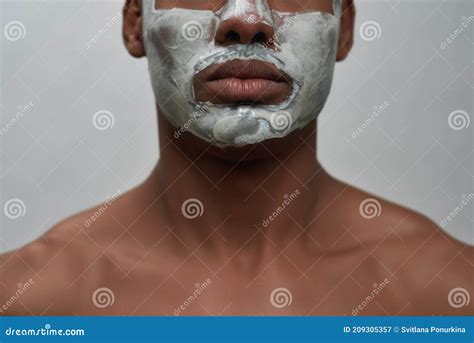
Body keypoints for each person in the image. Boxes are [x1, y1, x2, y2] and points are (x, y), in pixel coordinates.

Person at [1, 0, 472, 316]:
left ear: (345, 27)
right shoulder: (27, 305)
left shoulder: (449, 297)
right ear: (134, 23)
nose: (247, 19)